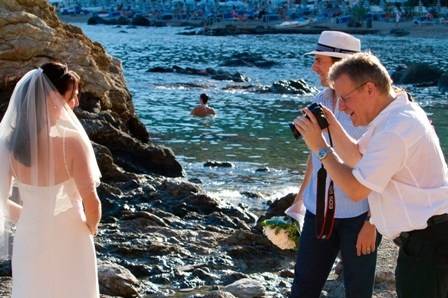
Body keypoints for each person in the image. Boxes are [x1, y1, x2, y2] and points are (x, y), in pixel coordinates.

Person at [294, 52, 448, 298]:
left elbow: (356, 190)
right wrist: (331, 124)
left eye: (345, 98)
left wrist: (320, 148)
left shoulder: (395, 129)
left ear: (369, 89)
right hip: (423, 240)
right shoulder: (393, 114)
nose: (342, 106)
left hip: (431, 242)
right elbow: (357, 156)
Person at [287, 31, 380, 298]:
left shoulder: (372, 108)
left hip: (359, 215)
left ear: (341, 64)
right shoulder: (320, 100)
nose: (314, 66)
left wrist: (372, 223)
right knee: (303, 289)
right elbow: (314, 155)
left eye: (319, 60)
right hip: (319, 212)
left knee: (358, 291)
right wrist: (299, 201)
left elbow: (382, 168)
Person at [0, 62, 102, 297]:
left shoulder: (9, 144)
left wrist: (30, 216)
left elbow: (1, 200)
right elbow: (92, 202)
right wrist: (90, 228)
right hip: (70, 234)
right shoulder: (73, 142)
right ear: (52, 98)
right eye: (72, 96)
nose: (76, 103)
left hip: (29, 236)